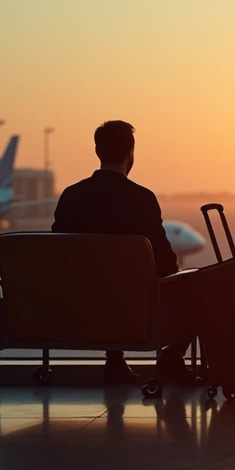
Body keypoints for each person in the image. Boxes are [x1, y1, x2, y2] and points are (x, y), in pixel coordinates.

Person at [52, 120, 192, 384]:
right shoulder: (142, 199)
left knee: (104, 284)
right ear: (131, 152)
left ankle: (115, 362)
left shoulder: (71, 196)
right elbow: (163, 260)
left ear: (97, 151)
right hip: (134, 307)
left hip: (79, 305)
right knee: (195, 286)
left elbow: (58, 253)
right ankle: (173, 358)